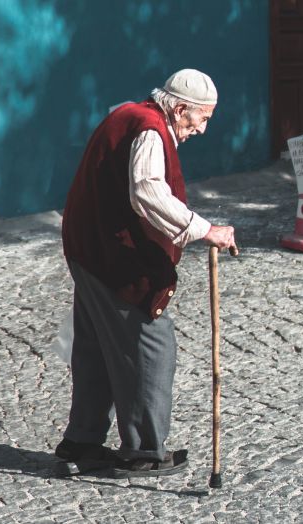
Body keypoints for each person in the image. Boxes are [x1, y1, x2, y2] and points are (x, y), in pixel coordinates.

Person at [57, 69, 237, 478]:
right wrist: (204, 229)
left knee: (98, 347)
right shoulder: (150, 129)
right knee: (151, 344)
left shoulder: (132, 116)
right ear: (179, 108)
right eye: (201, 119)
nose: (202, 129)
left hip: (90, 246)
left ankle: (82, 441)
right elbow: (147, 191)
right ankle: (142, 451)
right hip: (110, 254)